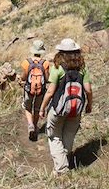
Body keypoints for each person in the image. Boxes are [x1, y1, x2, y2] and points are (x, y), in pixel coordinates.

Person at [39, 38, 93, 175]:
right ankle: (63, 163)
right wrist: (89, 105)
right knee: (68, 136)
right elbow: (88, 90)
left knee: (55, 137)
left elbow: (50, 91)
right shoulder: (83, 68)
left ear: (61, 52)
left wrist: (42, 108)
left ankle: (61, 170)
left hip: (58, 109)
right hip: (76, 110)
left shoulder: (57, 68)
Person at [19, 40, 50, 141]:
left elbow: (23, 77)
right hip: (40, 91)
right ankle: (35, 126)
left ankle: (30, 125)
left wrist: (21, 79)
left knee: (28, 108)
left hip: (29, 90)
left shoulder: (26, 62)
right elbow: (46, 78)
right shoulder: (45, 63)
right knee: (37, 109)